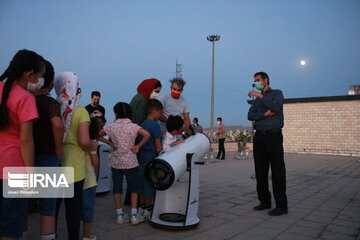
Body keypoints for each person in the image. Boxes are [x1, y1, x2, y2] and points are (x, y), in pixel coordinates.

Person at [0, 49, 44, 240]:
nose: (38, 82)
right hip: (15, 171)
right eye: (38, 77)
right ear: (29, 74)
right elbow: (26, 141)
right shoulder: (25, 99)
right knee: (10, 229)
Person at [54, 72, 99, 240]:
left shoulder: (53, 107)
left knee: (52, 210)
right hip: (75, 169)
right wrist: (92, 146)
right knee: (73, 211)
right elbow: (83, 141)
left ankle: (51, 236)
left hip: (55, 164)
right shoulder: (80, 111)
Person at [99, 102, 150, 226]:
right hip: (131, 162)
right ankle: (133, 215)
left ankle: (120, 215)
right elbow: (147, 135)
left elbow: (97, 134)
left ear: (116, 113)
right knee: (133, 188)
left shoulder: (111, 126)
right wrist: (138, 146)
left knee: (117, 189)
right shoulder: (133, 126)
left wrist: (109, 143)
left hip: (116, 162)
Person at [247, 71, 288, 216]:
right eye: (254, 81)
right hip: (259, 138)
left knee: (277, 171)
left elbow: (276, 108)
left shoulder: (277, 93)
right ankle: (264, 201)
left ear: (266, 80)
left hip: (274, 136)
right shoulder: (256, 101)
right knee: (260, 171)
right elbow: (250, 115)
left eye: (258, 80)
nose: (255, 83)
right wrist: (264, 114)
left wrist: (260, 96)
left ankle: (281, 206)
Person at [32, 60, 64, 240]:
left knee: (22, 204)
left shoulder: (26, 100)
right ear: (51, 84)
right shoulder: (50, 103)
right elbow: (57, 125)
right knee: (47, 206)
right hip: (48, 157)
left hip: (25, 156)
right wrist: (58, 148)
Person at [138, 99, 163, 219]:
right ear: (155, 111)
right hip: (152, 158)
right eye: (160, 113)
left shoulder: (143, 124)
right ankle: (149, 208)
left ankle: (142, 207)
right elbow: (158, 146)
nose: (160, 116)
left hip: (142, 157)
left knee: (142, 182)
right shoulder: (155, 125)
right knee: (150, 182)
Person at [81, 116, 103, 240]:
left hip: (75, 180)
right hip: (89, 181)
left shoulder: (77, 141)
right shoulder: (92, 144)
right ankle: (86, 236)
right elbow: (95, 163)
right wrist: (94, 151)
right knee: (87, 210)